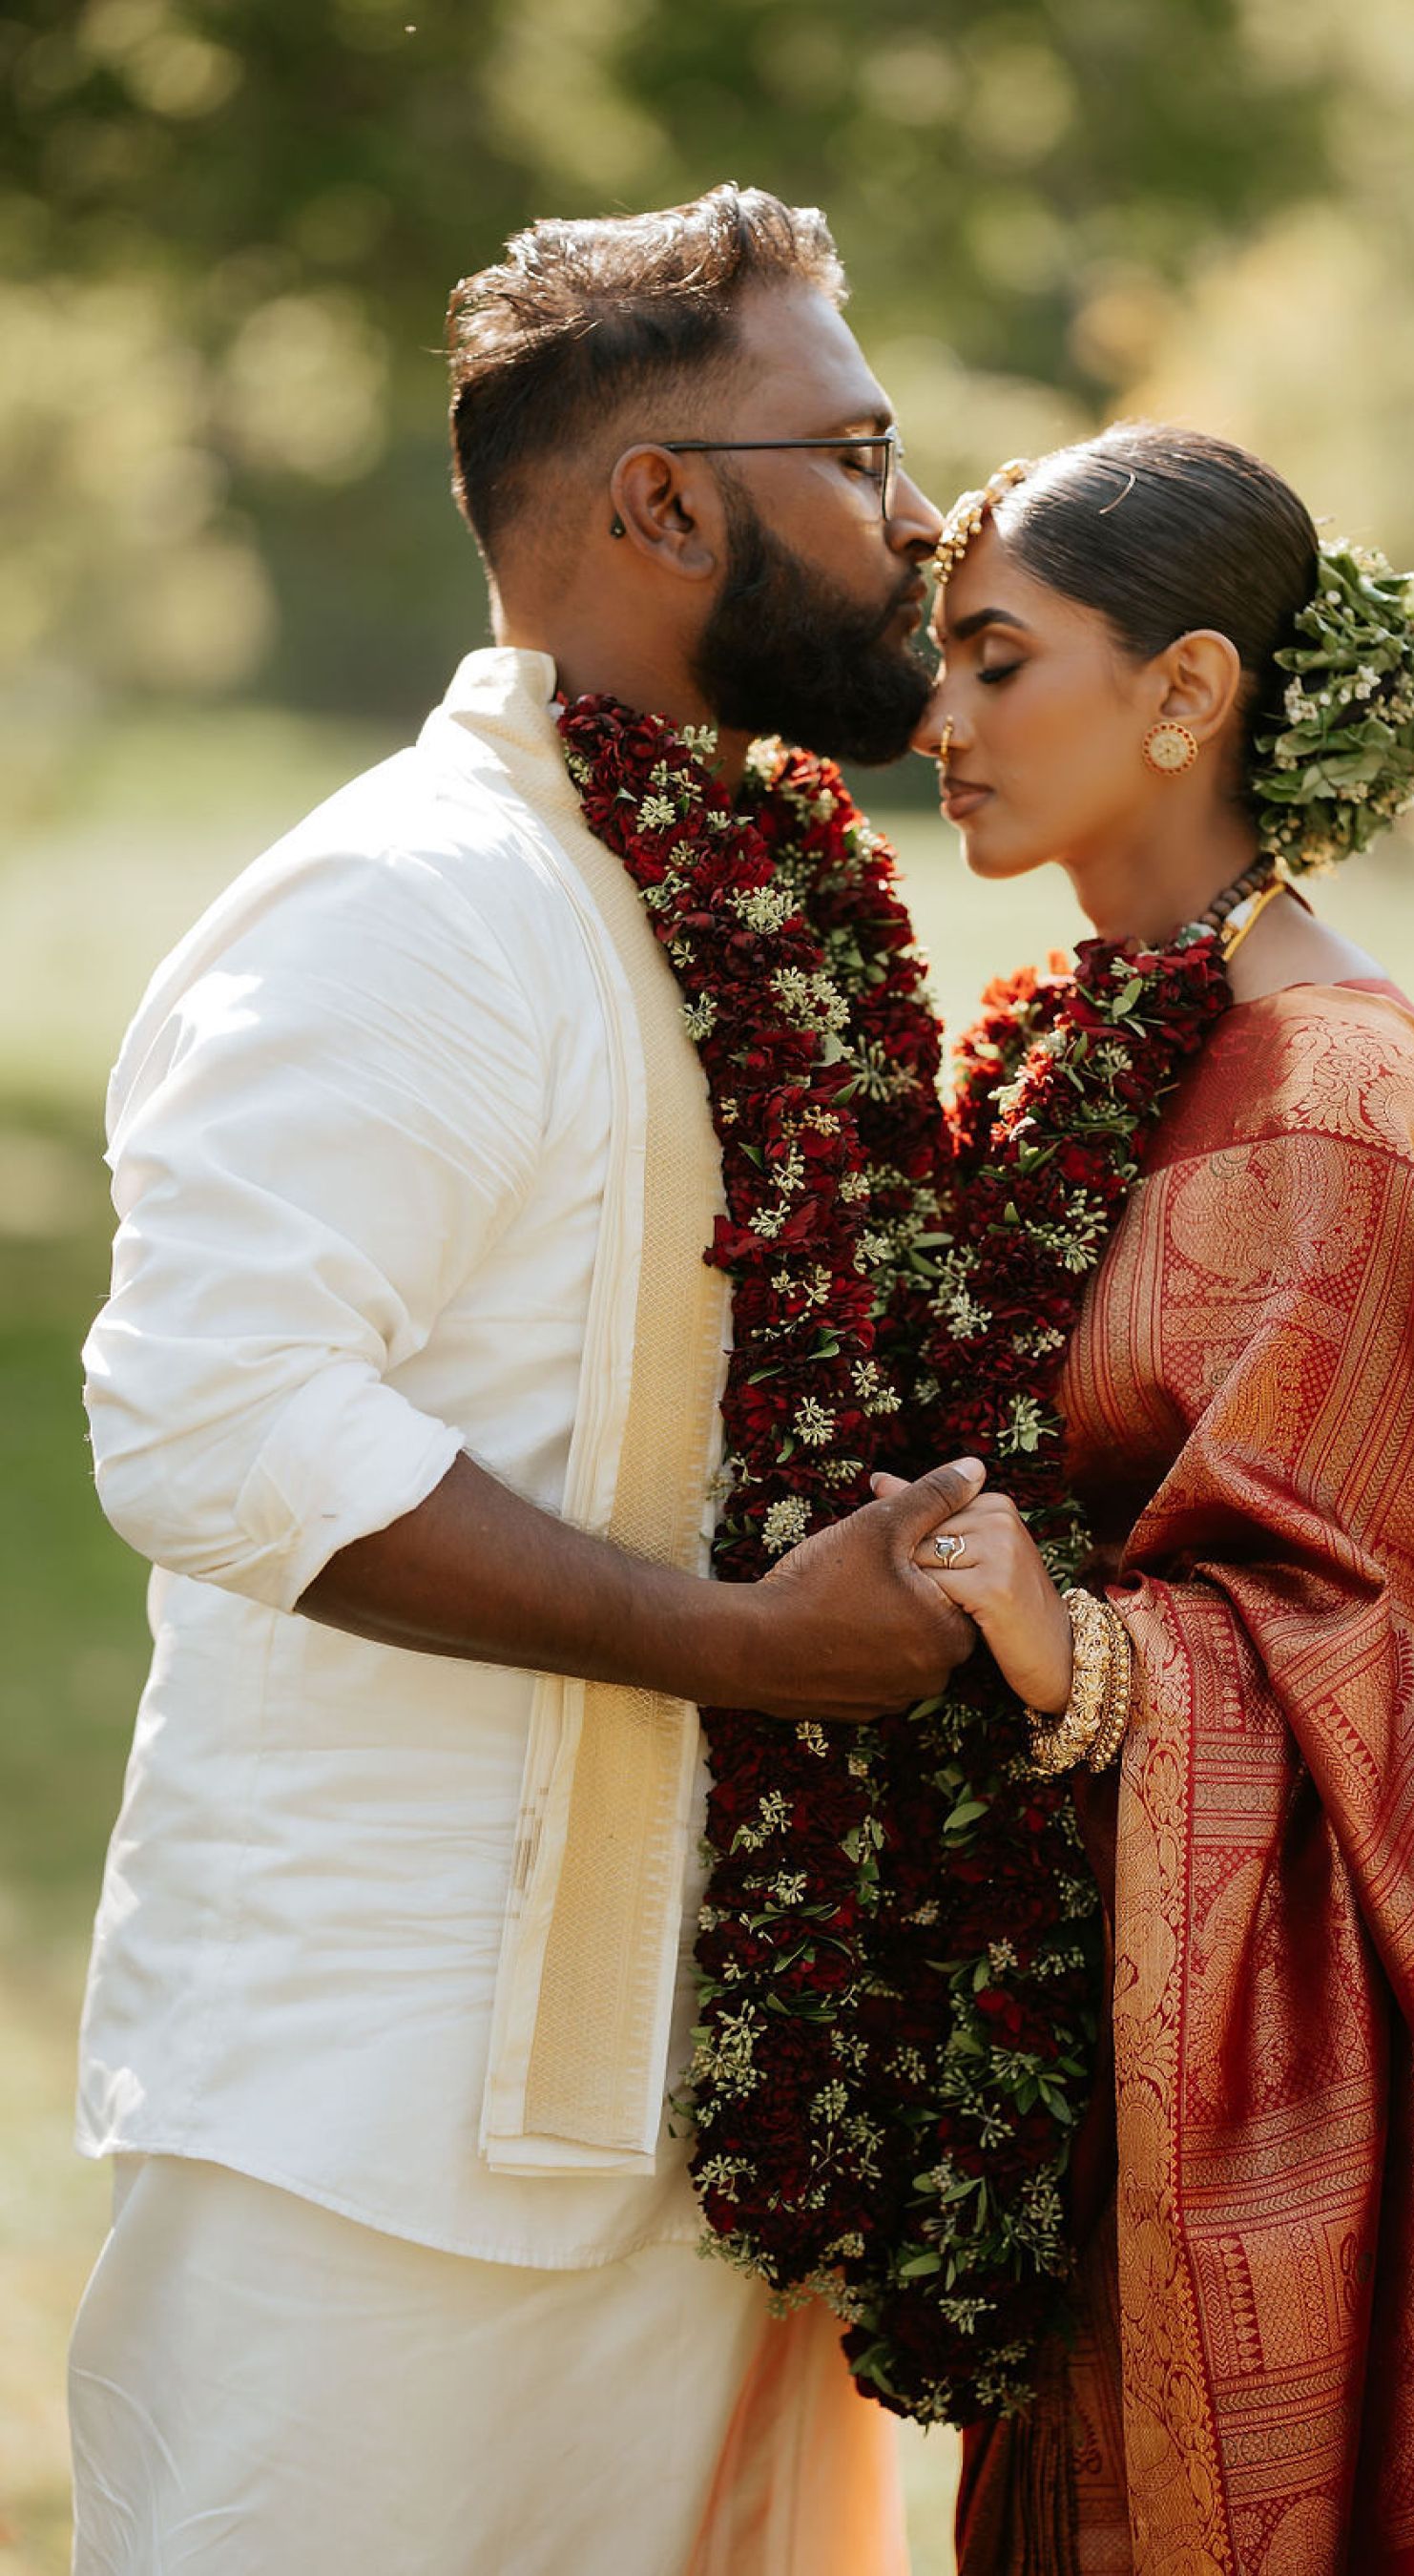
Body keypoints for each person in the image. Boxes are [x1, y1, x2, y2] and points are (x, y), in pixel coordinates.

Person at [69, 184, 982, 2576]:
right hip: (388, 2138)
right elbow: (210, 1418)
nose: (924, 525)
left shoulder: (735, 899)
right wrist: (749, 1653)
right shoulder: (417, 902)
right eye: (866, 453)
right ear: (665, 500)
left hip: (721, 2121)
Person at [889, 426, 1414, 2570]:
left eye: (996, 663)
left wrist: (1081, 1659)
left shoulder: (1343, 1103)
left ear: (1186, 696)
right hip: (1097, 2012)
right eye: (940, 666)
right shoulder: (1075, 1035)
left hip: (1318, 2081)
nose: (940, 721)